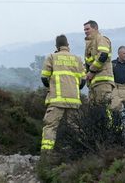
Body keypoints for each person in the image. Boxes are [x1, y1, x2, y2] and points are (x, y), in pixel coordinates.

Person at [40, 34, 86, 164]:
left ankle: (46, 156)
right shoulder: (77, 59)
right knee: (76, 128)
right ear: (68, 45)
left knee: (50, 127)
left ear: (57, 46)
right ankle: (78, 156)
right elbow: (82, 82)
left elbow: (44, 77)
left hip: (56, 100)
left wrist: (51, 87)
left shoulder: (52, 57)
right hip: (74, 101)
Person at [83, 20, 115, 118]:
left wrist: (92, 71)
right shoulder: (90, 44)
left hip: (103, 81)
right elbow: (88, 63)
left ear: (95, 28)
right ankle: (97, 132)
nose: (85, 31)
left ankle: (109, 131)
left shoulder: (101, 39)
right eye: (84, 30)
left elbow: (103, 55)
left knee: (105, 109)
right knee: (94, 112)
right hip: (93, 83)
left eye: (88, 29)